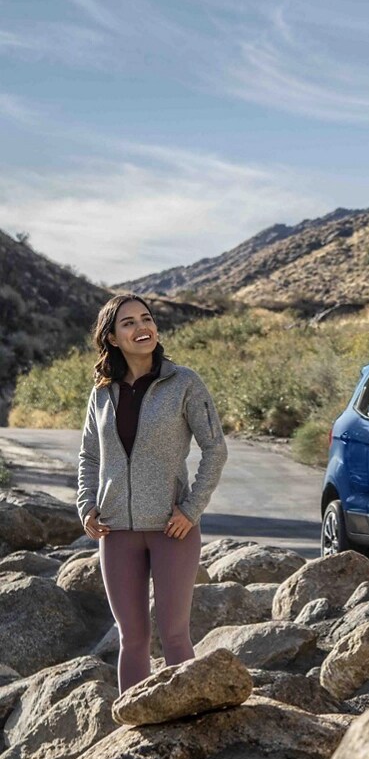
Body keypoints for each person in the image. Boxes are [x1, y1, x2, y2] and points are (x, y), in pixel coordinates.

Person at [77, 295, 228, 691]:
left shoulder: (184, 383)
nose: (141, 327)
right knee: (132, 639)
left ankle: (191, 724)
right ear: (111, 337)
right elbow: (90, 456)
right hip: (115, 531)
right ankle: (135, 732)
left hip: (171, 529)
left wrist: (191, 509)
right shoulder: (101, 393)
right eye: (128, 323)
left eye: (146, 319)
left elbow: (215, 448)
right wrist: (86, 504)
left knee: (175, 636)